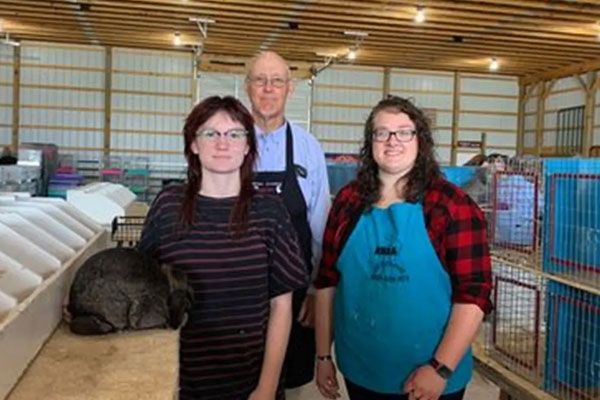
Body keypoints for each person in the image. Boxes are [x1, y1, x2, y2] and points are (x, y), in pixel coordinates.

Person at [314, 96, 493, 400]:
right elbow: (327, 282)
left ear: (419, 140)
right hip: (361, 368)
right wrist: (322, 357)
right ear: (370, 142)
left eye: (403, 131)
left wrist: (439, 369)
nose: (392, 140)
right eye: (381, 132)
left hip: (430, 377)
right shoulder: (348, 201)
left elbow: (473, 295)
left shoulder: (451, 206)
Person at [137, 96, 308, 400]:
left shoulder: (270, 211)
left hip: (251, 382)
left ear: (247, 146)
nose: (222, 143)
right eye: (210, 133)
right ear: (193, 144)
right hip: (179, 380)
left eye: (234, 134)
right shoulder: (168, 205)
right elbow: (142, 284)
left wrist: (267, 387)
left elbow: (282, 306)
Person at [245, 51, 331, 390]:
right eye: (260, 80)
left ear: (289, 89)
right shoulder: (230, 141)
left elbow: (321, 224)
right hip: (239, 290)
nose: (268, 89)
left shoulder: (308, 148)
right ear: (247, 86)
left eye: (277, 81)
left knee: (285, 381)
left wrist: (314, 289)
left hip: (294, 290)